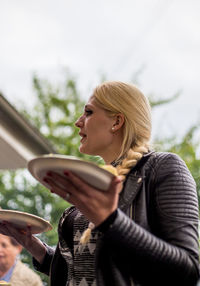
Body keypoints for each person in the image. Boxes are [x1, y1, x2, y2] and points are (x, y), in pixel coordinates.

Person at [0, 81, 199, 286]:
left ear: (117, 121)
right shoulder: (94, 183)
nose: (78, 122)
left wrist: (111, 221)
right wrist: (31, 244)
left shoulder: (163, 168)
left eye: (88, 112)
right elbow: (81, 271)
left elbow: (187, 270)